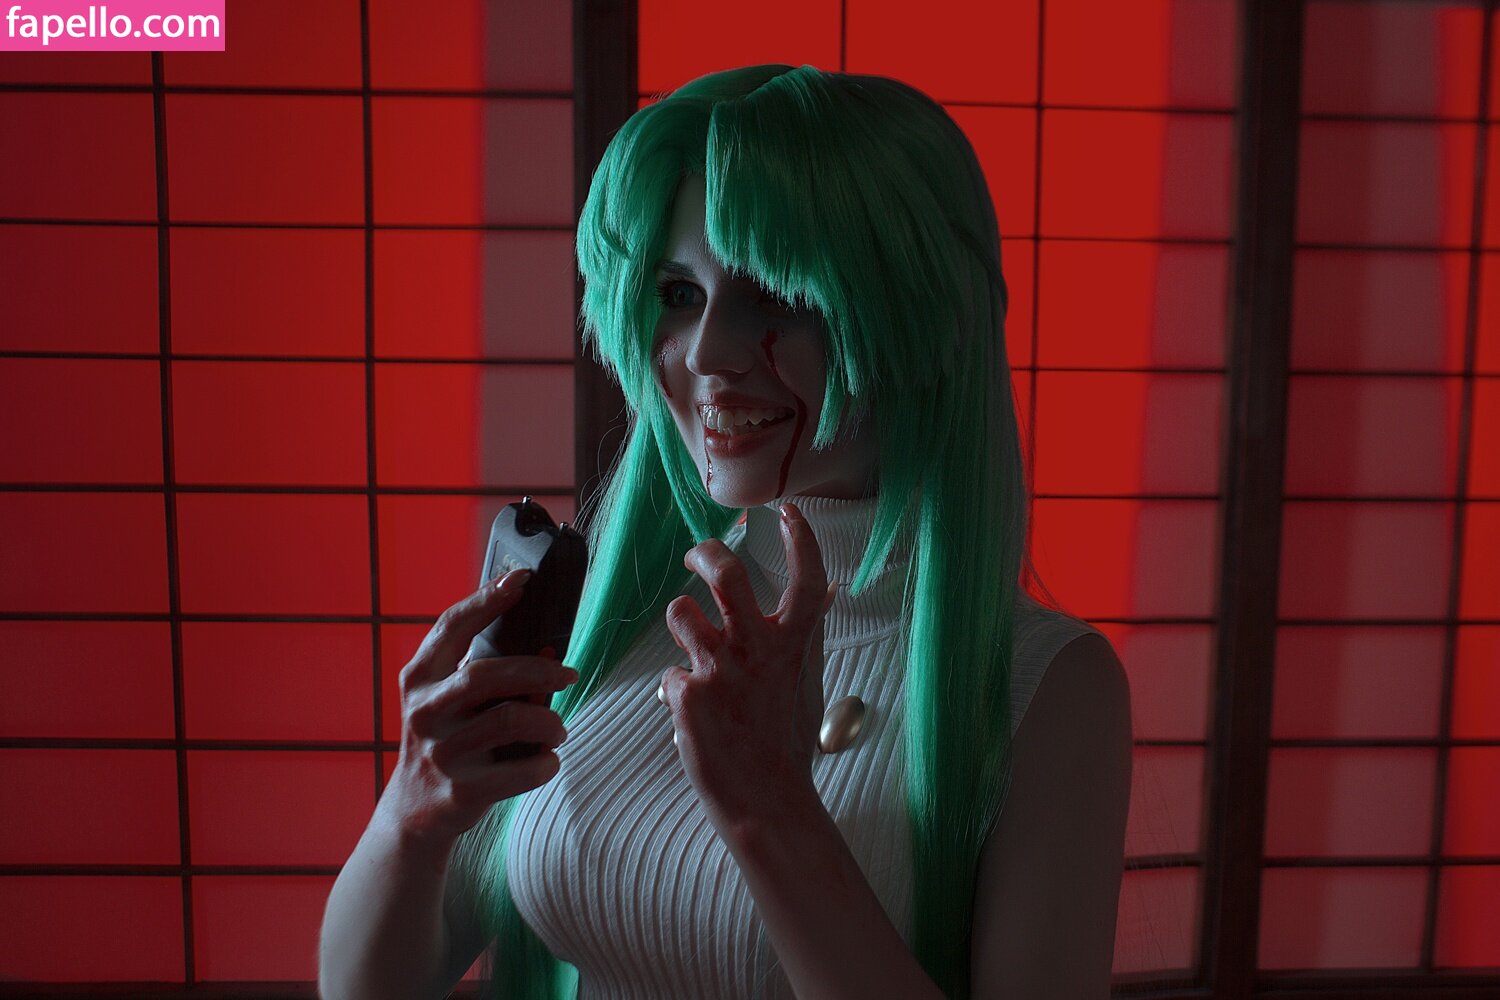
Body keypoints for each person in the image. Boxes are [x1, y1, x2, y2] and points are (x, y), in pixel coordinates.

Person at [320, 63, 1132, 1000]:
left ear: (920, 313)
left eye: (776, 293)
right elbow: (363, 988)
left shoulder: (1050, 687)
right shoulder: (612, 616)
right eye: (678, 294)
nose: (706, 351)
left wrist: (771, 809)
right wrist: (412, 814)